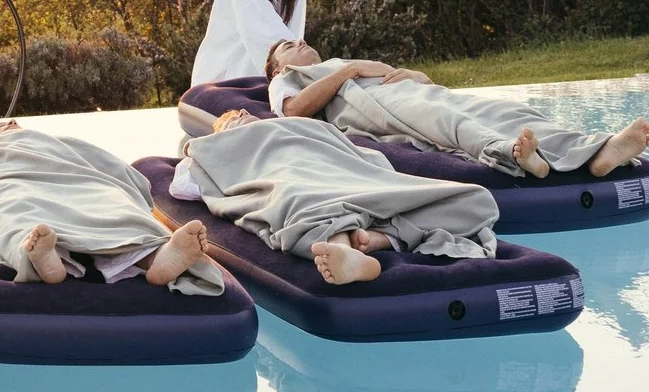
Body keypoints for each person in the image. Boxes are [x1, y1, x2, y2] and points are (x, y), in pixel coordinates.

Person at [172, 109, 499, 286]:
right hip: (292, 176)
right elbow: (185, 186)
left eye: (237, 118)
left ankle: (378, 240)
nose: (237, 122)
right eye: (228, 125)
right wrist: (203, 151)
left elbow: (359, 154)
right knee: (299, 198)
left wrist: (370, 173)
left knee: (475, 200)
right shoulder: (217, 151)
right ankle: (347, 251)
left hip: (344, 175)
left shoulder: (299, 126)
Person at [0, 122, 224, 293]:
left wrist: (115, 182)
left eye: (11, 125)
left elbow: (111, 169)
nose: (7, 127)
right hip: (9, 179)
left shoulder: (58, 143)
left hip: (78, 178)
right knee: (14, 204)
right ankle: (44, 261)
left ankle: (158, 257)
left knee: (113, 205)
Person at [263, 39, 649, 179]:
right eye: (286, 45)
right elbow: (294, 112)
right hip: (373, 108)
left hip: (416, 93)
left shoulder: (334, 62)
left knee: (506, 111)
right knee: (449, 123)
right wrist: (351, 70)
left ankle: (599, 148)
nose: (297, 41)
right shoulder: (288, 78)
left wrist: (417, 75)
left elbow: (418, 82)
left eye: (298, 39)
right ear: (277, 66)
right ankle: (514, 156)